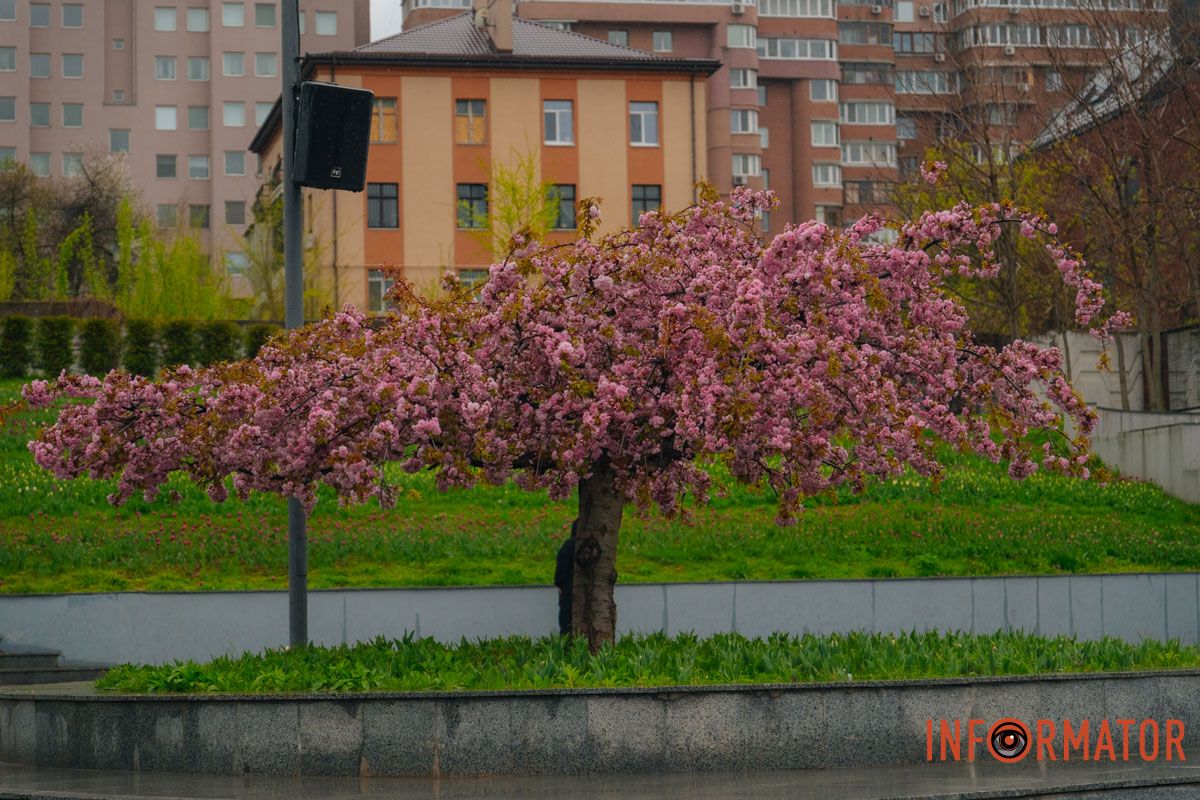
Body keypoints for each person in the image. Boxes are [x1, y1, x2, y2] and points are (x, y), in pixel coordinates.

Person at [554, 520, 577, 636]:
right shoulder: (594, 546)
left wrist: (560, 584)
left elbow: (560, 570)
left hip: (568, 592)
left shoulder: (568, 545)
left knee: (567, 627)